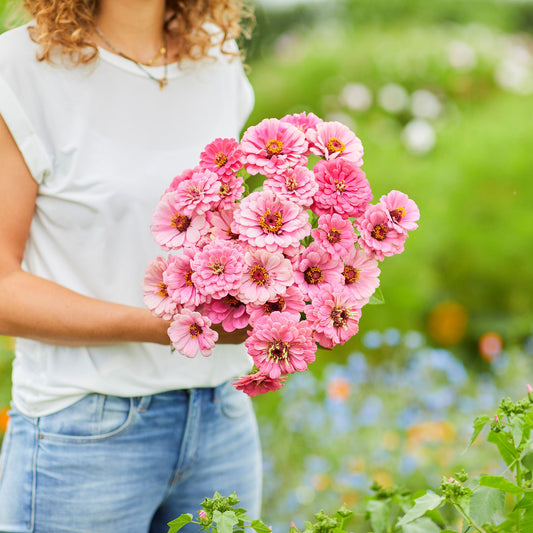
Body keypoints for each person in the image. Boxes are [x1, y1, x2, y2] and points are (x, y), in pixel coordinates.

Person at [0, 1, 261, 531]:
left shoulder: (217, 57)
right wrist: (167, 327)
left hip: (223, 418)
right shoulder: (23, 69)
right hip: (84, 431)